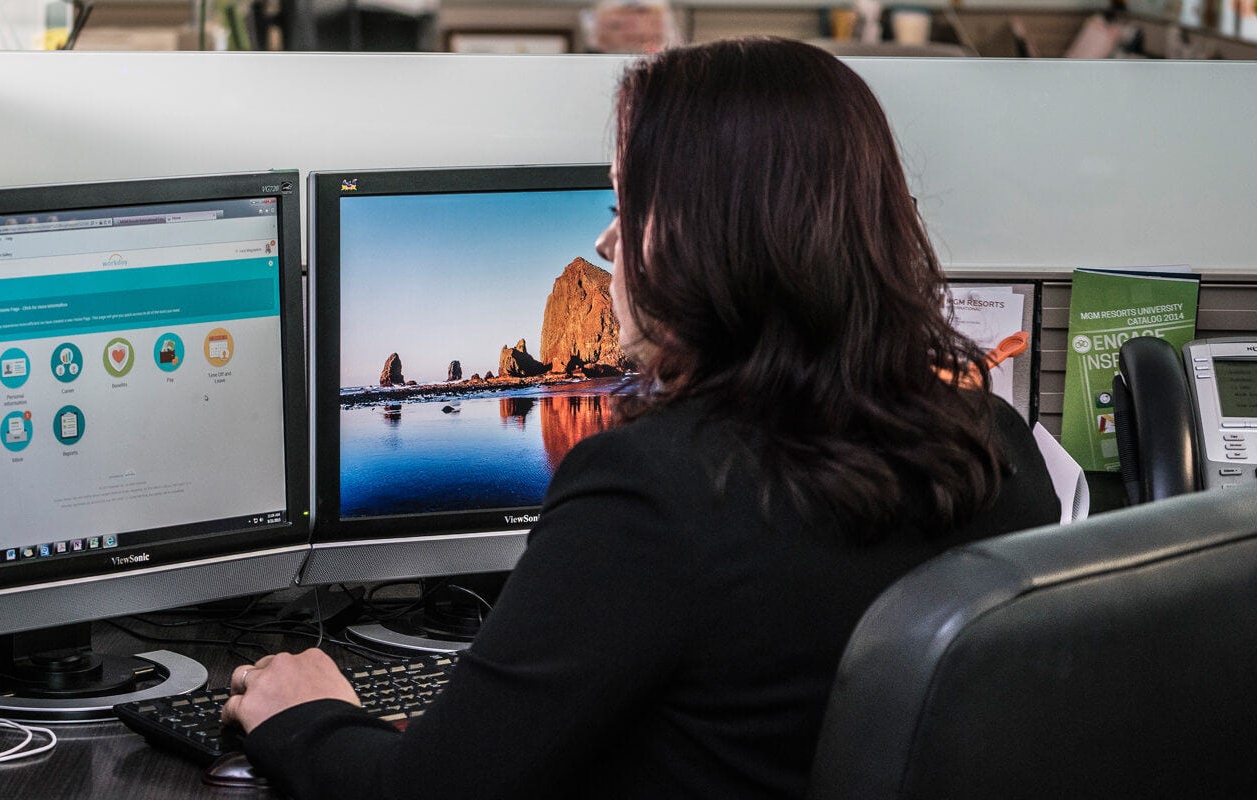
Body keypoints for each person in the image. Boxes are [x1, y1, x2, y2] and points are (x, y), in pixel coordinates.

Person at [222, 37, 1061, 799]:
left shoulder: (653, 492)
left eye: (627, 204)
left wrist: (307, 713)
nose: (605, 240)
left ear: (708, 233)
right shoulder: (996, 446)